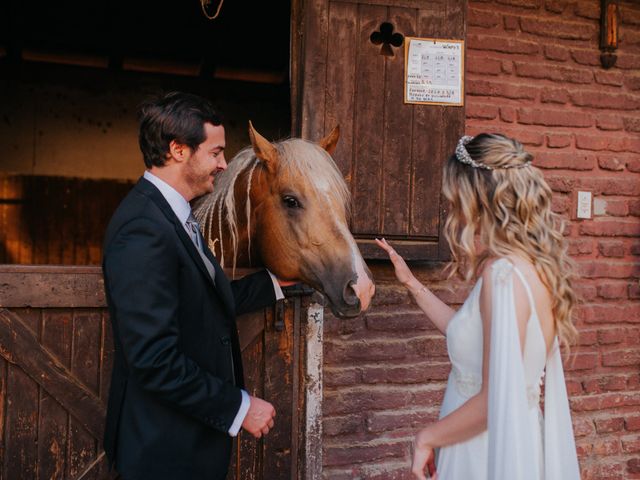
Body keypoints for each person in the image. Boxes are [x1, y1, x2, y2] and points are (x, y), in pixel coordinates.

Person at [102, 92, 290, 480]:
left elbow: (202, 302)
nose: (223, 164)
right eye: (216, 152)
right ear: (177, 150)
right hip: (162, 450)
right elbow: (154, 359)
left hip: (185, 442)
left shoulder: (173, 215)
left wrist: (274, 281)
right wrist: (239, 407)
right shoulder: (142, 229)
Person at [376, 133, 581, 480]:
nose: (450, 205)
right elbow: (471, 339)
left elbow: (495, 401)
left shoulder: (503, 276)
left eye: (454, 194)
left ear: (476, 196)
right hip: (512, 440)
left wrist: (427, 436)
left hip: (481, 451)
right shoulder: (532, 267)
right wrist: (412, 283)